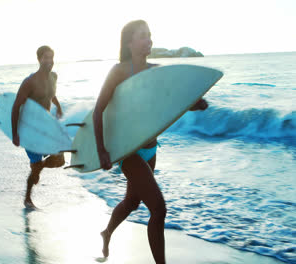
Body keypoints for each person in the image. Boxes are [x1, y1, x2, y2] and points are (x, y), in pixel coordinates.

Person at [93, 20, 208, 263]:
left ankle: (106, 232)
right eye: (143, 36)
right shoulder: (119, 71)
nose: (149, 40)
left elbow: (171, 102)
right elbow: (98, 111)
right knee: (158, 208)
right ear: (129, 42)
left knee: (132, 202)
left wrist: (194, 104)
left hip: (151, 149)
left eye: (150, 35)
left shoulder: (156, 71)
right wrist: (102, 150)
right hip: (129, 151)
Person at [11, 45, 65, 209]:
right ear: (39, 59)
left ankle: (38, 166)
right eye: (46, 58)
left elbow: (51, 93)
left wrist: (59, 106)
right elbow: (16, 107)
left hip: (45, 128)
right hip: (30, 130)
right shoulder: (30, 82)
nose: (49, 61)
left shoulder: (53, 77)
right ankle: (27, 199)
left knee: (59, 160)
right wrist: (15, 134)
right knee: (35, 174)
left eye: (51, 57)